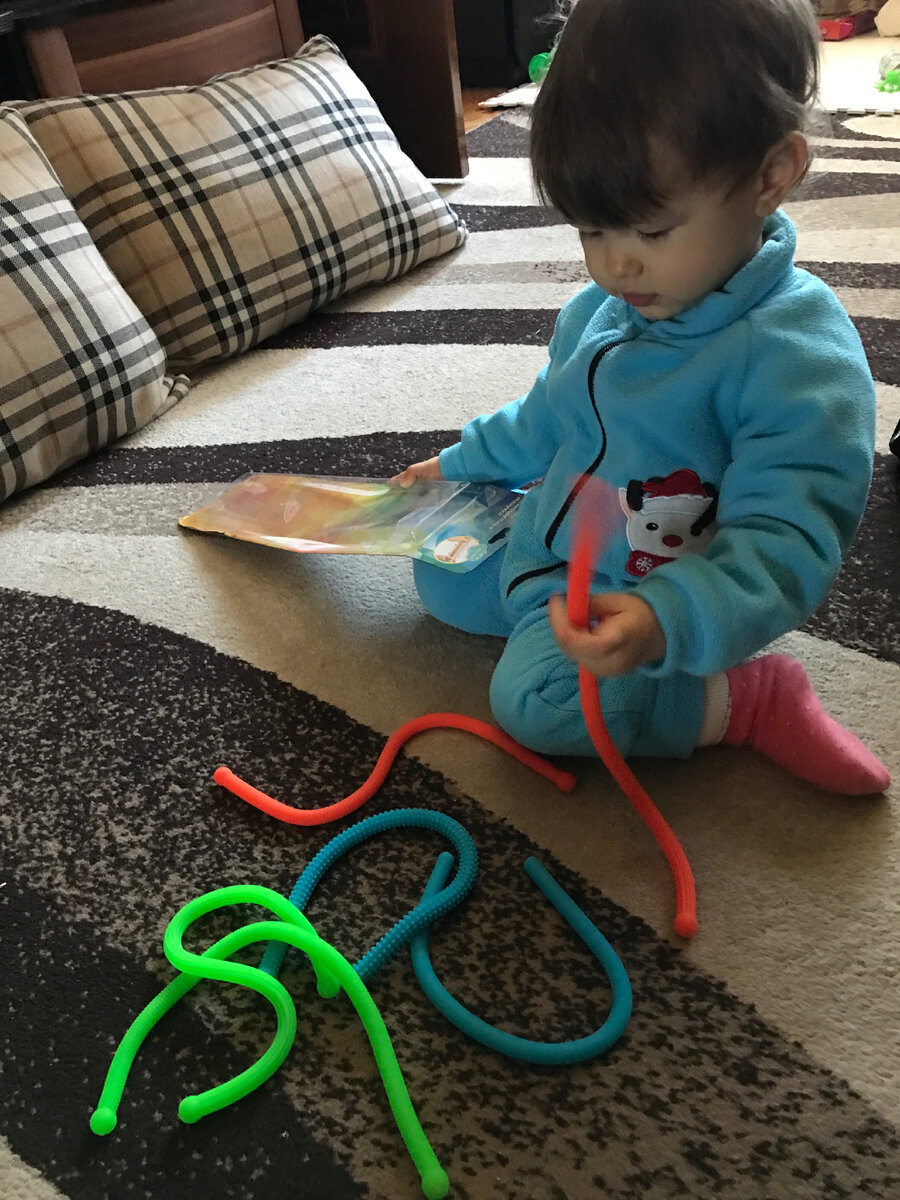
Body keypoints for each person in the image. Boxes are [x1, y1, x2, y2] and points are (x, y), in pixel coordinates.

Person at [393, 0, 890, 795]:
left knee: (534, 702)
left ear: (771, 175)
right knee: (437, 575)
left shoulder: (796, 358)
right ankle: (537, 604)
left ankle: (745, 702)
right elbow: (547, 413)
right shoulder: (609, 306)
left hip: (648, 587)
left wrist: (668, 618)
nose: (613, 266)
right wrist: (456, 465)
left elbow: (787, 538)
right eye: (592, 231)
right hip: (557, 544)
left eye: (650, 231)